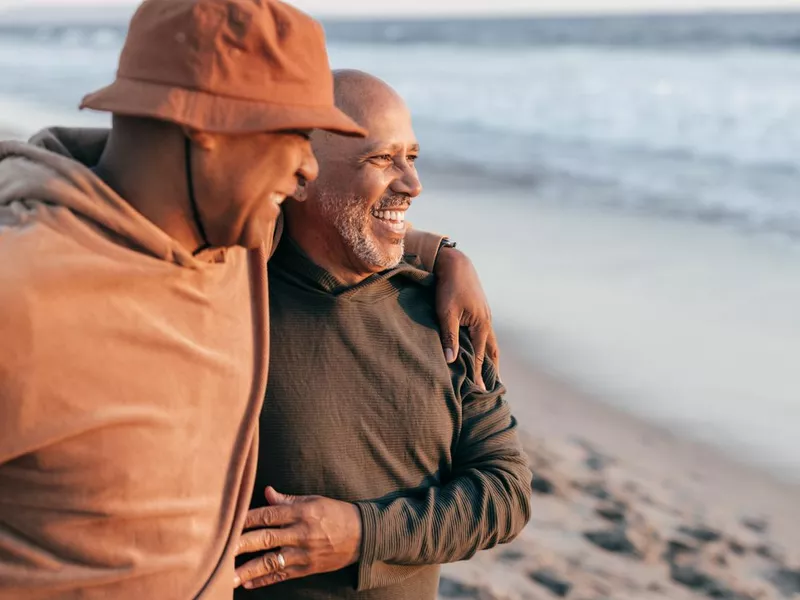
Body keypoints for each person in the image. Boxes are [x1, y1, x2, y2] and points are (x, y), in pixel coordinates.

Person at [0, 4, 495, 600]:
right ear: (206, 132)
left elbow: (337, 222)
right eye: (293, 137)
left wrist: (439, 253)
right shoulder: (24, 293)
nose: (307, 170)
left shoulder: (235, 243)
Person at [233, 71, 532, 599]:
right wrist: (437, 247)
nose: (412, 184)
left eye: (411, 157)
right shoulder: (232, 304)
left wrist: (363, 535)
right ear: (300, 173)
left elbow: (505, 493)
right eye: (381, 159)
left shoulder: (442, 314)